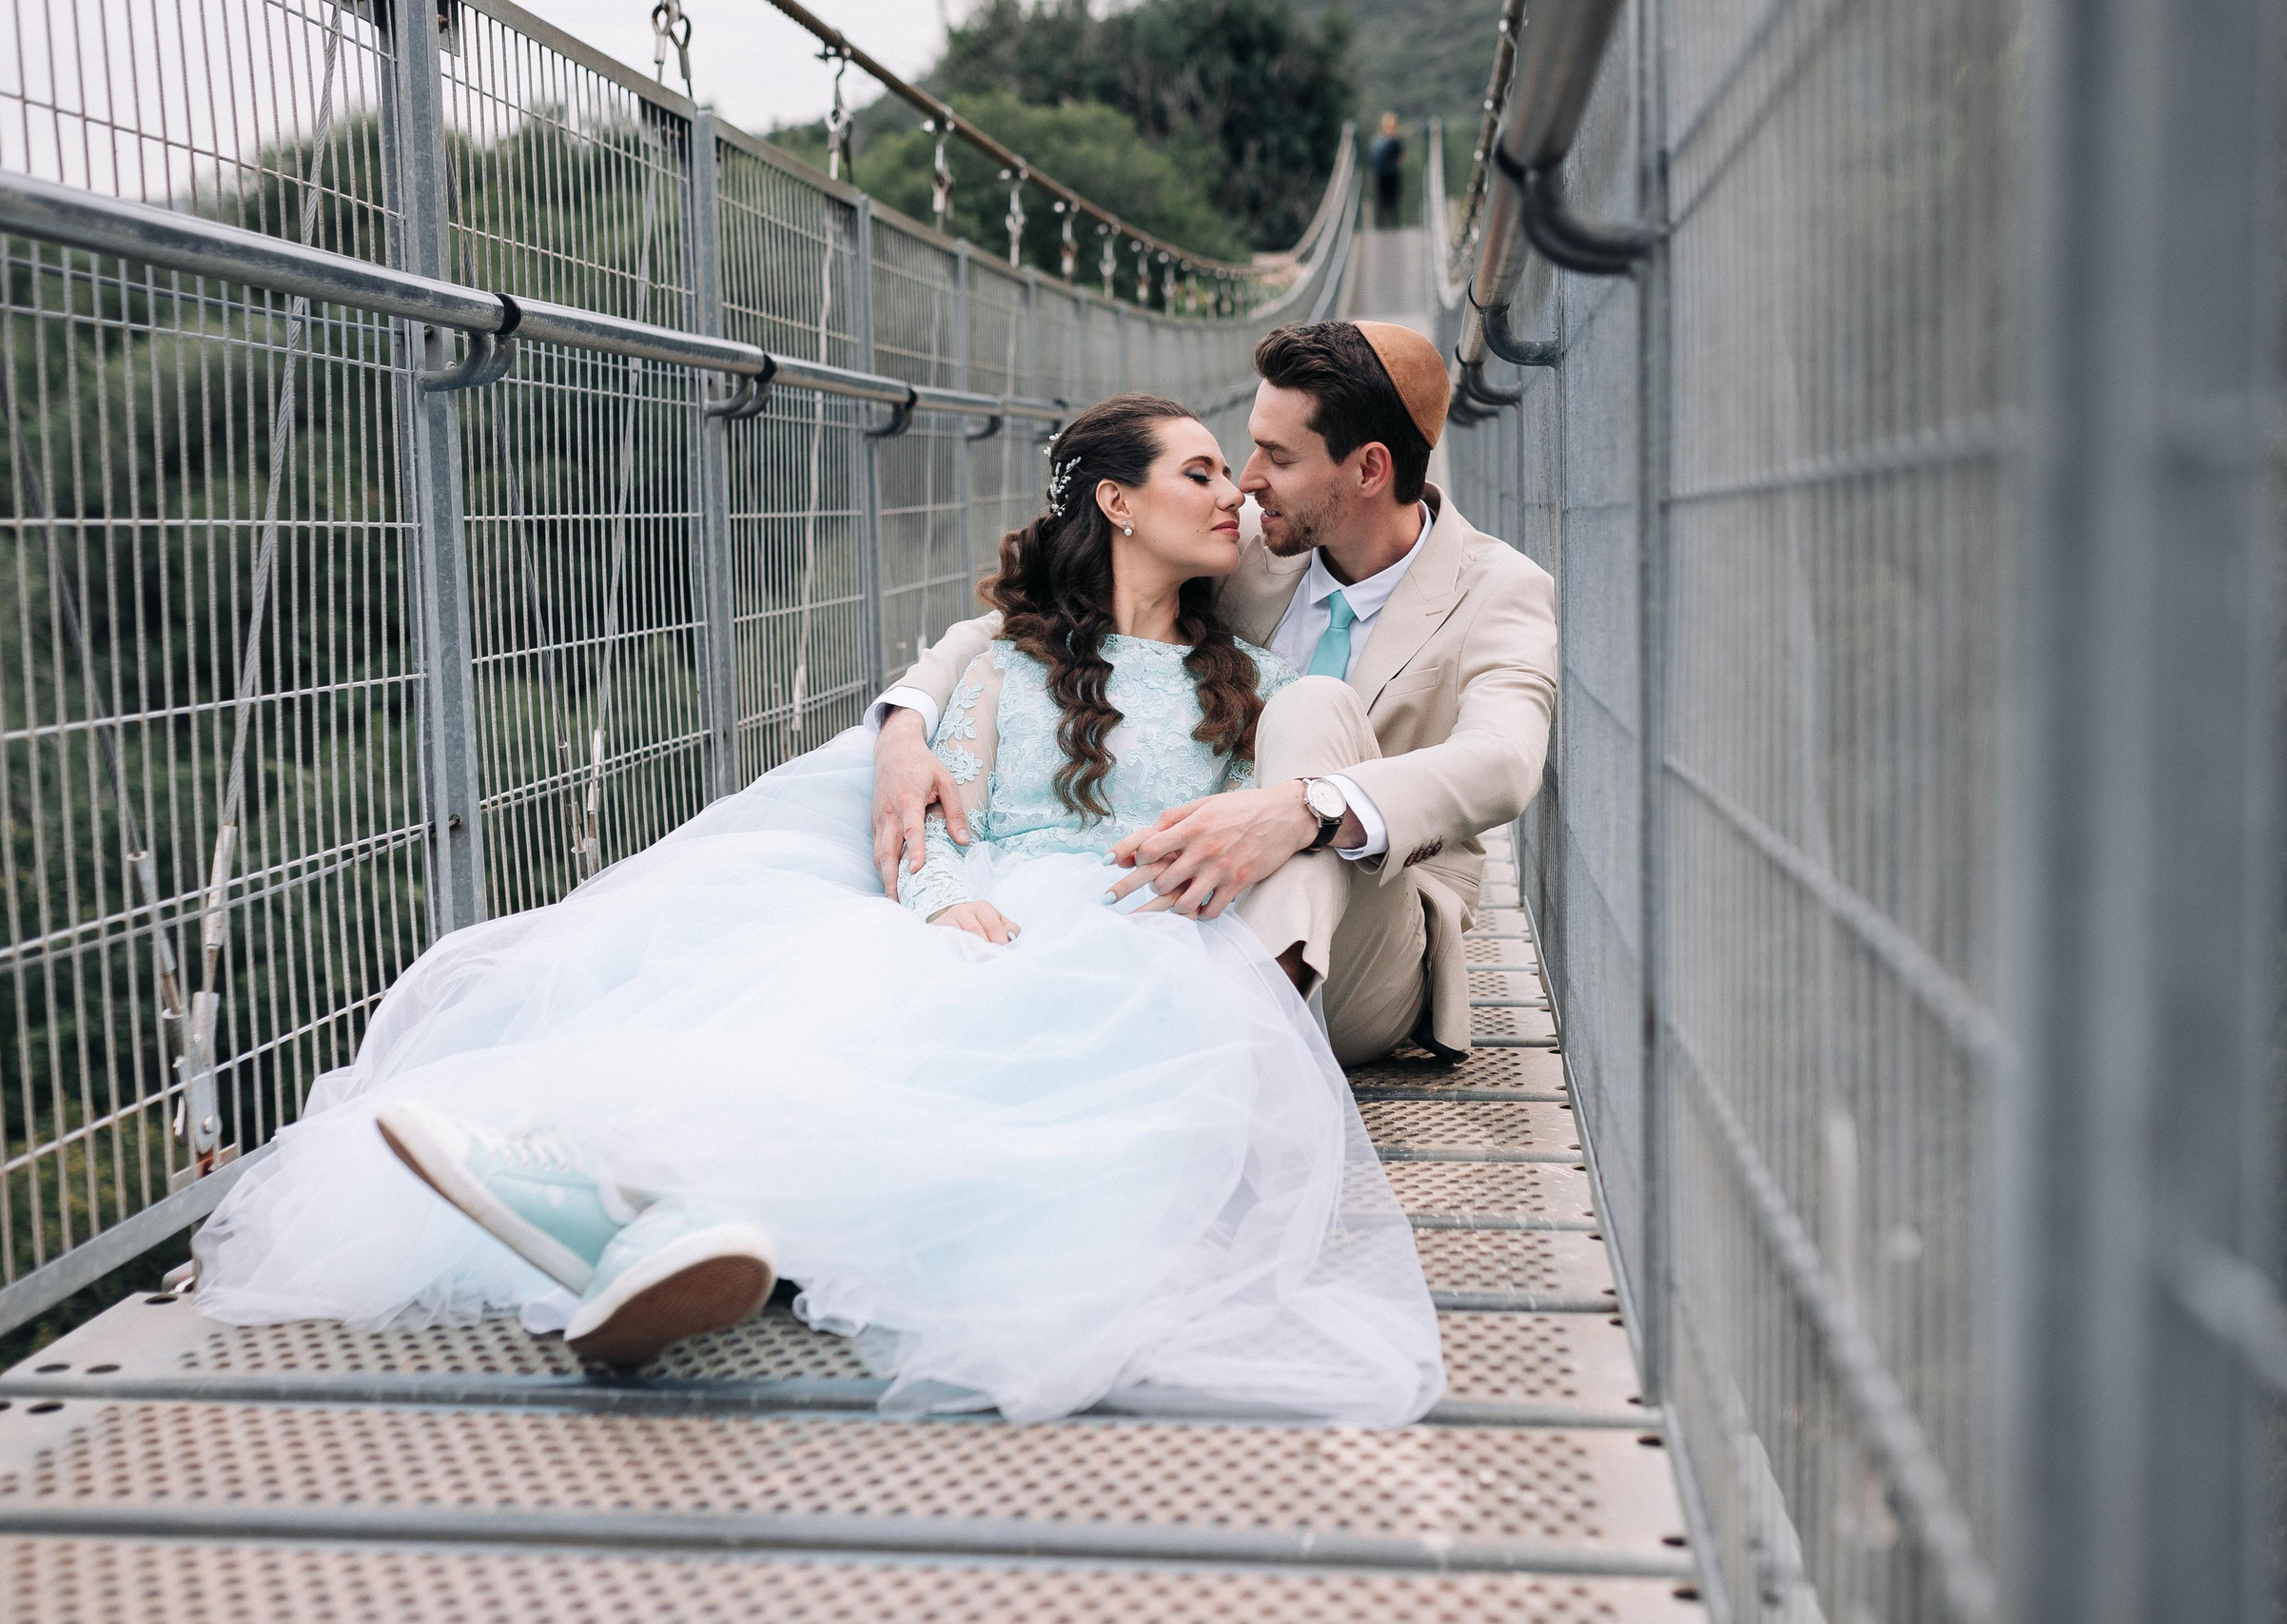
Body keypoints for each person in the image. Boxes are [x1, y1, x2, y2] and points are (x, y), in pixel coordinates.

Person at [189, 394, 1444, 1427]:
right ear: (1117, 501)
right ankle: (635, 1209)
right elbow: (935, 823)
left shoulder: (1260, 683)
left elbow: (1278, 848)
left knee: (998, 1088)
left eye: (1240, 470)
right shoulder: (1002, 668)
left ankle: (691, 1226)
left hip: (1143, 934)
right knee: (845, 1015)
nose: (1235, 493)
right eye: (1203, 468)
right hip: (994, 905)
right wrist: (950, 907)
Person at [871, 322, 1557, 1069]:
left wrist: (1303, 808)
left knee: (1311, 706)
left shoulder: (1500, 590)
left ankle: (1229, 1049)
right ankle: (1207, 1037)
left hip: (1372, 939)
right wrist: (905, 726)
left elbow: (1503, 760)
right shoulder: (1243, 543)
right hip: (1197, 916)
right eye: (1243, 451)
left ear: (1368, 470)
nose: (1249, 481)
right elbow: (1029, 626)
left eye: (1278, 455)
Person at [1371, 112, 1405, 227]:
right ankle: (1391, 226)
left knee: (1383, 201)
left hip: (1381, 175)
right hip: (1391, 175)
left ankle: (1381, 226)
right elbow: (1401, 159)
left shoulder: (1377, 141)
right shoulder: (1395, 141)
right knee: (1391, 202)